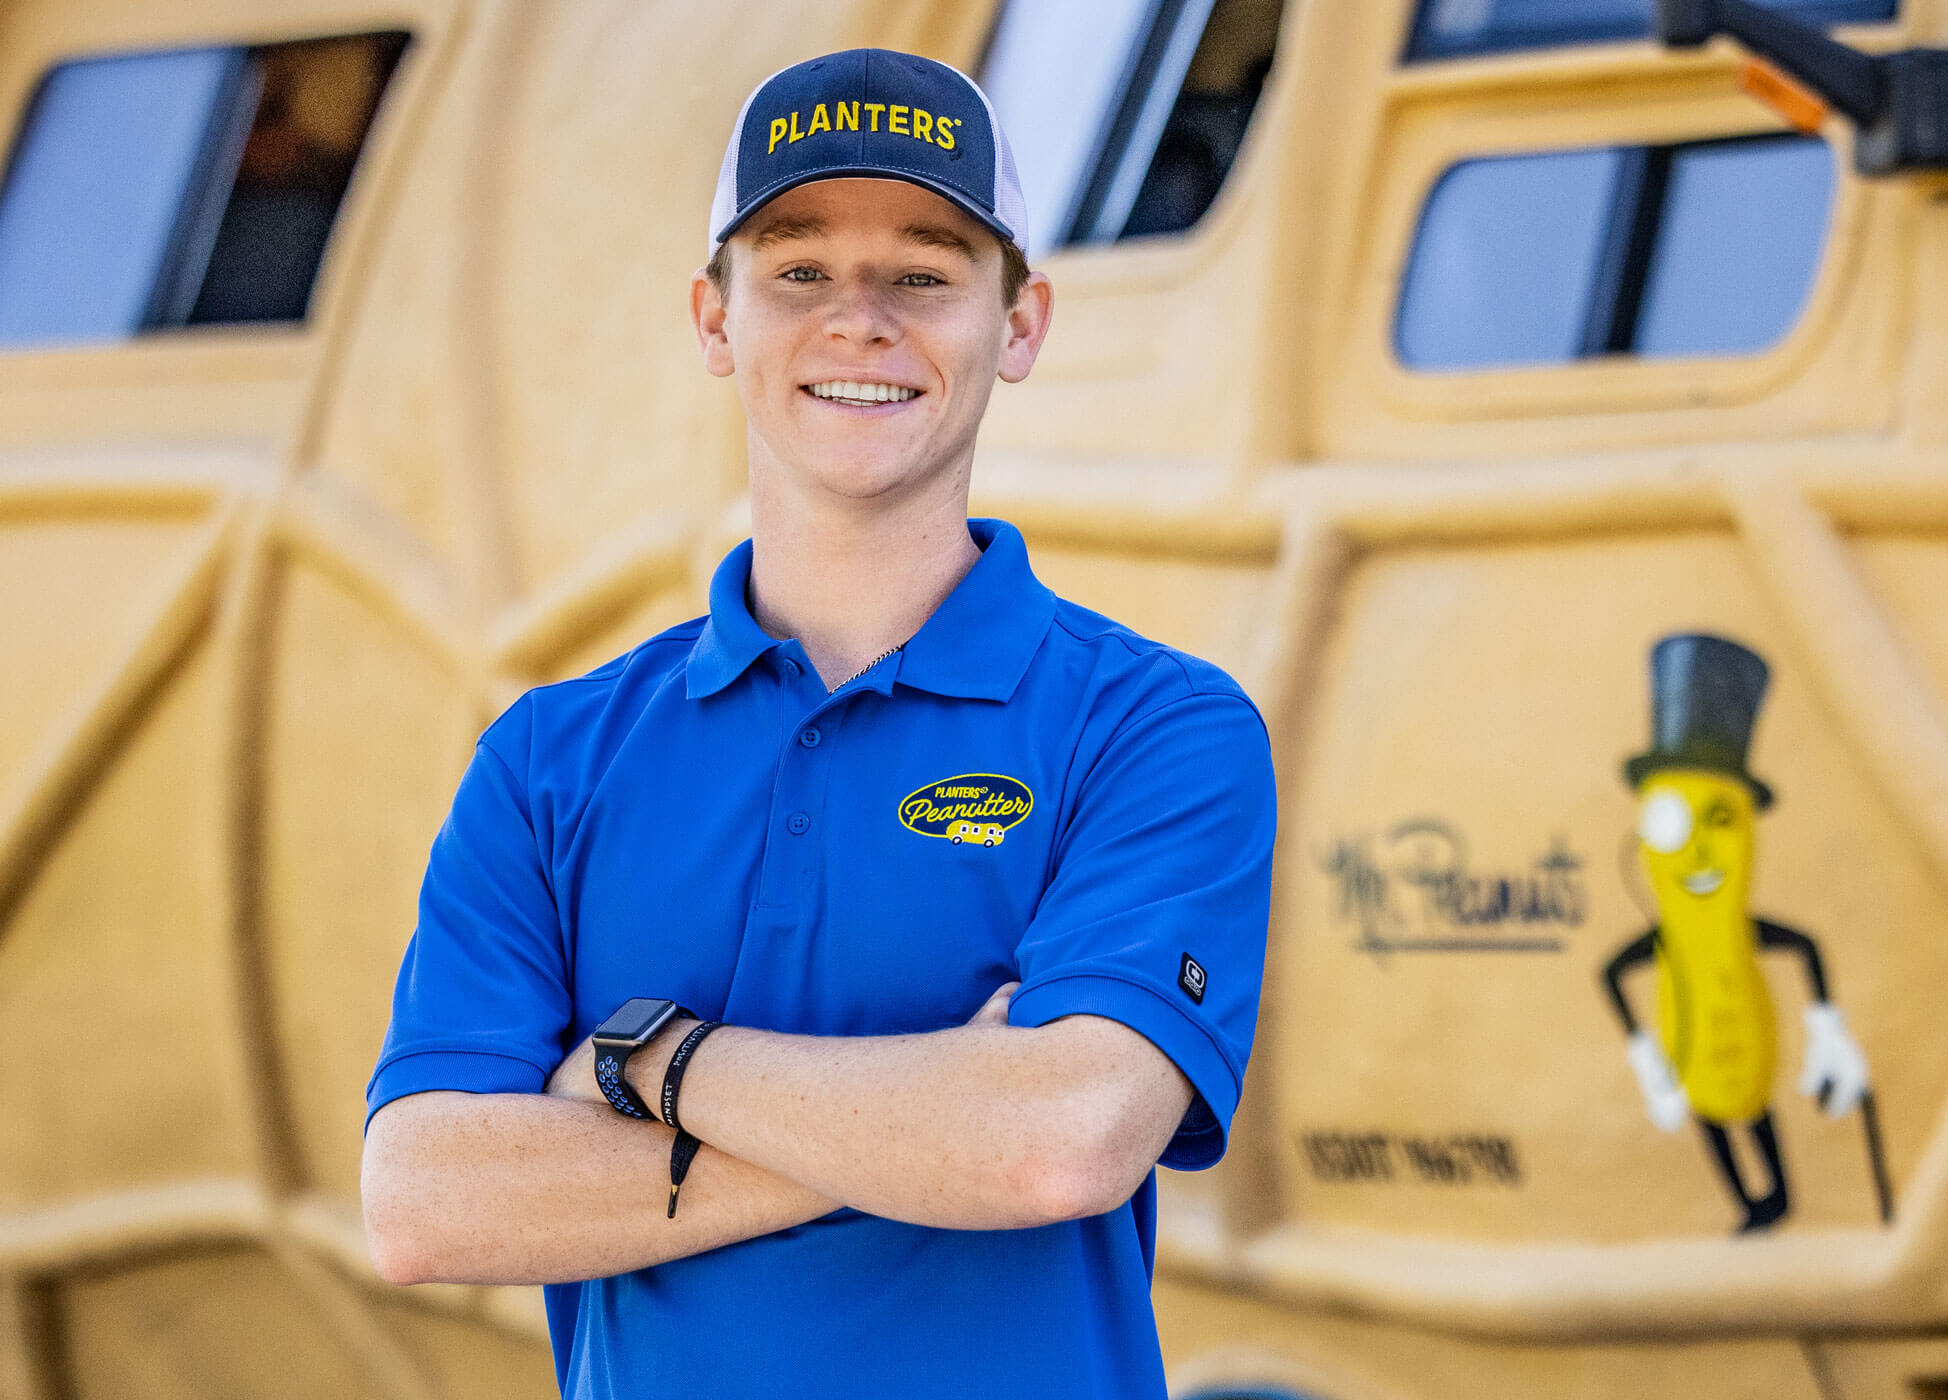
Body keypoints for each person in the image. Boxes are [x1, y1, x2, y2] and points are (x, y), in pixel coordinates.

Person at [357, 47, 1277, 1399]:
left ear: (1018, 324)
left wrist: (651, 1063)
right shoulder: (550, 760)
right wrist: (928, 1122)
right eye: (797, 269)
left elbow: (1058, 1145)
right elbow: (427, 1201)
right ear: (714, 318)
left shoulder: (1156, 731)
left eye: (925, 271)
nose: (860, 321)